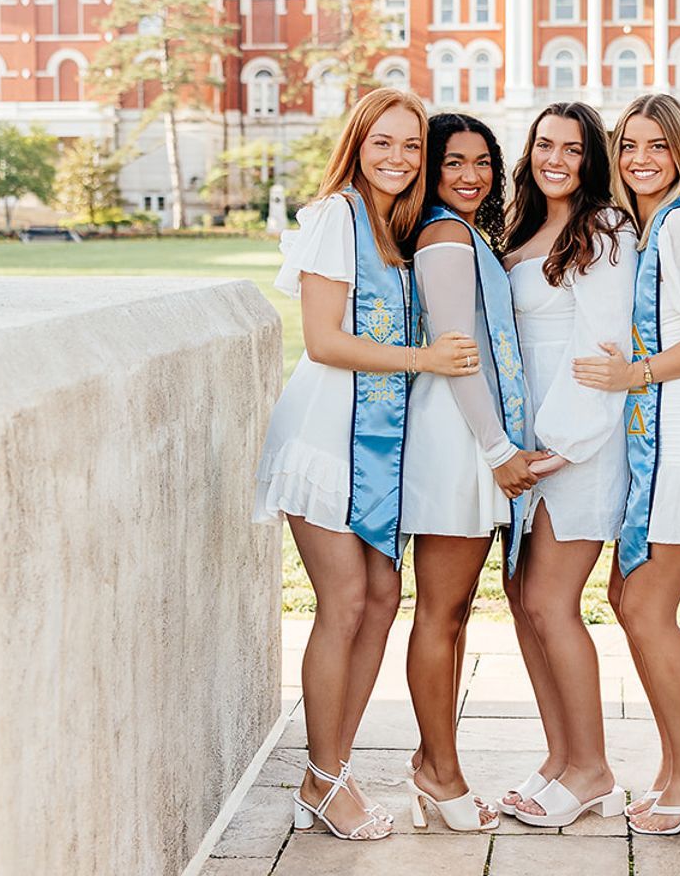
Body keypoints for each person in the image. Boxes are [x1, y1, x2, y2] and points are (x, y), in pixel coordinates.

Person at [251, 87, 479, 843]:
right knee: (346, 600)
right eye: (383, 142)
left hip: (373, 444)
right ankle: (323, 777)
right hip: (324, 438)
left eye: (411, 146)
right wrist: (425, 358)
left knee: (382, 595)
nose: (398, 157)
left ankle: (332, 769)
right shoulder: (335, 219)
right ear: (357, 144)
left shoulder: (397, 226)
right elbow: (322, 340)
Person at [571, 92, 680, 836]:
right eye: (629, 145)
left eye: (657, 146)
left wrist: (635, 375)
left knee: (644, 604)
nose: (641, 159)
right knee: (628, 597)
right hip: (655, 438)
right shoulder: (646, 229)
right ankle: (677, 767)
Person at [400, 113, 537, 832]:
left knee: (452, 615)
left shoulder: (467, 234)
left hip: (471, 435)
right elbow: (458, 351)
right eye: (454, 162)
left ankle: (435, 765)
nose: (471, 176)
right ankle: (439, 774)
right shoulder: (447, 237)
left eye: (483, 162)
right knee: (441, 613)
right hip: (458, 439)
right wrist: (497, 451)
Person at [500, 101, 635, 829]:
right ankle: (560, 756)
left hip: (572, 446)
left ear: (592, 159)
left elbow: (604, 344)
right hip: (522, 449)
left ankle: (592, 769)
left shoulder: (605, 230)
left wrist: (558, 446)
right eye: (545, 144)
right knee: (522, 601)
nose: (557, 158)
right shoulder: (520, 230)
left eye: (574, 148)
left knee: (552, 603)